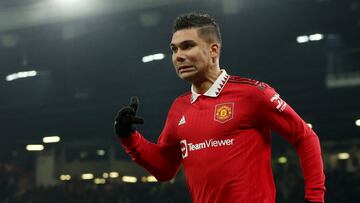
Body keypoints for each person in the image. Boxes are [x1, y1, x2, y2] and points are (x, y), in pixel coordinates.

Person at [114, 13, 326, 203]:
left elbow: (305, 137)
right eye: (174, 49)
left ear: (213, 50)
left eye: (187, 46)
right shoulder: (179, 107)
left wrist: (315, 198)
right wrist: (129, 137)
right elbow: (164, 169)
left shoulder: (253, 94)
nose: (178, 56)